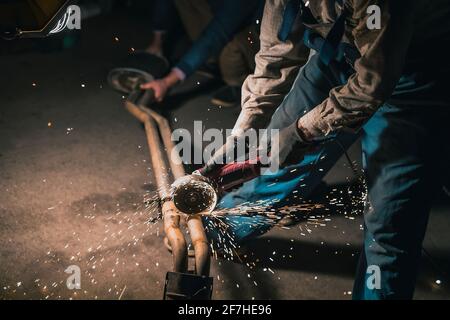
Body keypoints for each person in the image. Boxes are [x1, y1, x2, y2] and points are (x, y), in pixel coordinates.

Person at [204, 0, 450, 299]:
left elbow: (372, 84)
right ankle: (219, 233)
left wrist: (301, 132)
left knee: (388, 225)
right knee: (271, 156)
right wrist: (243, 135)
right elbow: (275, 58)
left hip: (411, 84)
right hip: (335, 59)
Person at [141, 0, 264, 107]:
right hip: (220, 16)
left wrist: (167, 82)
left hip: (252, 32)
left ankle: (238, 82)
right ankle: (208, 58)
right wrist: (157, 41)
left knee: (230, 45)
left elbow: (218, 32)